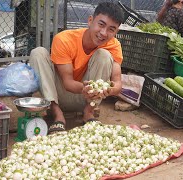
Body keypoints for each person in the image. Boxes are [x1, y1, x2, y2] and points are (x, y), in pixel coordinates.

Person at [29, 2, 124, 134]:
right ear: (90, 21)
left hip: (87, 99)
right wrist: (85, 88)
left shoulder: (113, 45)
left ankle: (89, 112)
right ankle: (57, 114)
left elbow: (117, 83)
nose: (103, 33)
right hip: (57, 95)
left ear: (116, 32)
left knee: (104, 55)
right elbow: (67, 83)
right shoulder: (65, 39)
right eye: (101, 25)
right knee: (38, 53)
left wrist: (109, 89)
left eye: (111, 29)